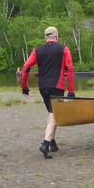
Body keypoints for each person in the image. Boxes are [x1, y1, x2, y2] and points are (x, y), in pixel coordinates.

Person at [20, 26, 75, 158]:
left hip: (43, 87)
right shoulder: (64, 49)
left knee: (52, 113)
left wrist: (24, 87)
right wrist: (71, 91)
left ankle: (52, 143)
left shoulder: (37, 51)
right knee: (54, 114)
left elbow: (26, 67)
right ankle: (45, 143)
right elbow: (70, 69)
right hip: (57, 86)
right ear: (57, 36)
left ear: (45, 37)